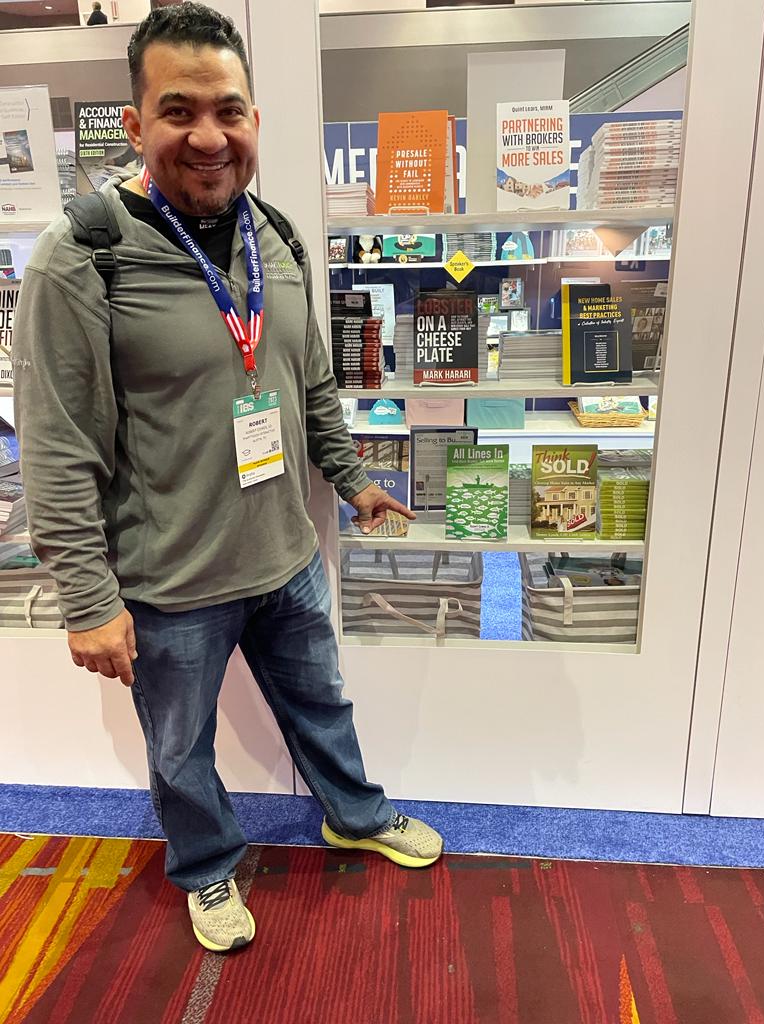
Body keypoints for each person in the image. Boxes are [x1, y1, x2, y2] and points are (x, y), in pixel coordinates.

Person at [14, 2, 443, 955]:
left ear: (253, 118)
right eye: (178, 111)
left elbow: (310, 382)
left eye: (229, 110)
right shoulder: (82, 255)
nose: (207, 136)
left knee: (323, 703)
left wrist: (353, 474)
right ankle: (207, 868)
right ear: (134, 124)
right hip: (169, 586)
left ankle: (354, 814)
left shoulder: (276, 233)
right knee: (179, 752)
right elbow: (54, 448)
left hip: (283, 556)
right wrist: (88, 599)